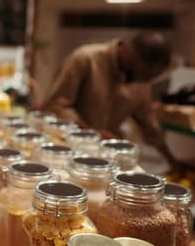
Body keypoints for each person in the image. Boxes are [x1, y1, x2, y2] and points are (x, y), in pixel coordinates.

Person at [42, 32, 180, 172]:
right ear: (128, 53)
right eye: (144, 74)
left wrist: (172, 161)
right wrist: (92, 132)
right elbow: (56, 104)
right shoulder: (86, 58)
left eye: (151, 78)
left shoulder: (141, 77)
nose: (144, 81)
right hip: (67, 153)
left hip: (107, 158)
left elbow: (148, 123)